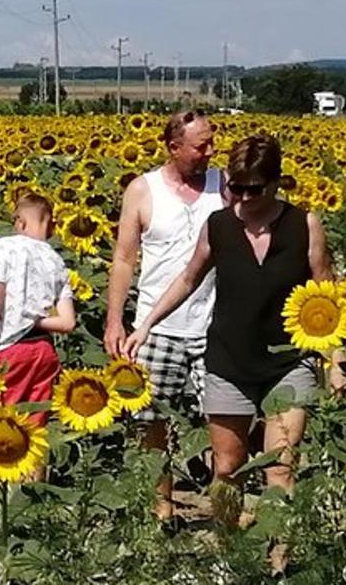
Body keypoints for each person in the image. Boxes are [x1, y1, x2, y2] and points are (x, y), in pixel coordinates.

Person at [122, 135, 346, 525]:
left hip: (288, 362)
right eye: (235, 187)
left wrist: (337, 357)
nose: (242, 198)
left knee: (280, 469)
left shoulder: (303, 225)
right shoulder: (220, 225)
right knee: (227, 468)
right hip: (228, 362)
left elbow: (327, 293)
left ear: (276, 182)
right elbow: (188, 279)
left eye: (253, 189)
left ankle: (278, 562)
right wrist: (146, 325)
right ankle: (230, 556)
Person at [102, 109, 225, 521]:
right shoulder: (143, 190)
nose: (210, 151)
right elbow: (123, 259)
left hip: (215, 323)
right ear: (174, 148)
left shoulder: (223, 185)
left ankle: (224, 507)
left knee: (225, 420)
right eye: (200, 145)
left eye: (211, 142)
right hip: (157, 329)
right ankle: (163, 507)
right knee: (150, 421)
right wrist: (115, 321)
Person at [0, 193, 76, 426]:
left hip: (12, 349)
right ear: (51, 225)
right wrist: (35, 321)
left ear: (20, 222)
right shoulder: (57, 261)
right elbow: (68, 323)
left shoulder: (7, 246)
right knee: (33, 433)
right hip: (44, 352)